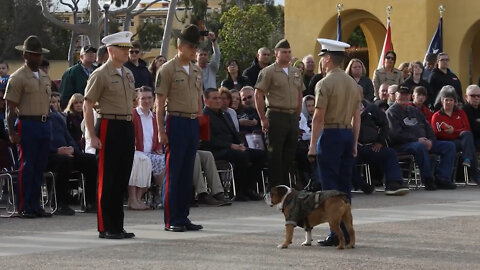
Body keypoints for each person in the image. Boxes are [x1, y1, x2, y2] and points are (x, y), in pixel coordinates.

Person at [307, 38, 361, 247]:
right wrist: (355, 142)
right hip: (347, 134)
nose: (321, 62)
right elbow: (357, 116)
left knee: (330, 188)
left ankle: (335, 233)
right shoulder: (352, 83)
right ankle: (347, 232)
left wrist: (312, 145)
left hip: (330, 135)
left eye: (323, 58)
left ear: (328, 58)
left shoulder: (325, 83)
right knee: (344, 187)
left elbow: (318, 117)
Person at [83, 31, 136, 239]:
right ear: (112, 51)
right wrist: (91, 135)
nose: (127, 53)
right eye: (123, 49)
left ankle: (118, 226)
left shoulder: (128, 74)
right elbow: (87, 105)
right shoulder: (100, 74)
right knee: (107, 179)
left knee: (122, 177)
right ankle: (106, 226)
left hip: (125, 125)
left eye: (128, 49)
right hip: (108, 125)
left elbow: (132, 101)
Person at [155, 24, 204, 232]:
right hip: (176, 121)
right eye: (192, 47)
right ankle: (171, 219)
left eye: (196, 47)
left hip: (192, 122)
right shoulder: (167, 69)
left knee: (187, 173)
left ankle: (183, 216)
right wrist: (160, 130)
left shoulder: (196, 69)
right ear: (180, 46)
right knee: (174, 172)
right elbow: (160, 102)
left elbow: (199, 99)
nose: (195, 51)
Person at [4, 35, 53, 218]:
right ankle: (24, 206)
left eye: (39, 55)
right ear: (25, 55)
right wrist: (11, 131)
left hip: (44, 123)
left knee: (40, 166)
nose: (37, 58)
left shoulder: (44, 76)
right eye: (33, 55)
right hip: (27, 123)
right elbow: (10, 108)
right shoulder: (17, 77)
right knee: (27, 166)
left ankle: (36, 205)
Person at [386, 86, 457, 191]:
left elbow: (428, 128)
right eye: (401, 94)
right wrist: (417, 140)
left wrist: (431, 141)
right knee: (419, 147)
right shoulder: (391, 112)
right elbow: (395, 135)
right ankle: (428, 179)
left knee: (449, 146)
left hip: (423, 142)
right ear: (396, 95)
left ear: (410, 96)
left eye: (407, 94)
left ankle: (443, 178)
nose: (404, 96)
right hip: (403, 145)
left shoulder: (415, 111)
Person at [200, 88, 265, 201]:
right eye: (214, 98)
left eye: (219, 98)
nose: (218, 101)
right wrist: (230, 145)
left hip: (232, 147)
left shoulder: (225, 114)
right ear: (206, 101)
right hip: (215, 151)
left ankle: (249, 189)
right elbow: (207, 141)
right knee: (242, 156)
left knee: (260, 155)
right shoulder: (203, 116)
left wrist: (240, 144)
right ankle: (238, 191)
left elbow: (234, 133)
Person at [255, 39, 304, 188]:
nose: (287, 55)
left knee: (290, 153)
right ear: (276, 54)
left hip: (292, 116)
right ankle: (276, 188)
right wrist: (263, 118)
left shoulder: (296, 72)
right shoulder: (268, 71)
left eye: (289, 52)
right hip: (276, 114)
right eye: (284, 52)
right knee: (275, 154)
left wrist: (297, 114)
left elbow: (299, 94)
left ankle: (285, 187)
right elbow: (258, 94)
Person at [47, 94, 97, 215]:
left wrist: (72, 149)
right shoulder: (36, 118)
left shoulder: (58, 118)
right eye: (52, 102)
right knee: (65, 161)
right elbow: (40, 142)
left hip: (67, 153)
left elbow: (69, 137)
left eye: (57, 102)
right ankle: (60, 204)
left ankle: (90, 202)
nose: (55, 104)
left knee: (91, 160)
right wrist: (57, 150)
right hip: (49, 155)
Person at [354, 89, 409, 195]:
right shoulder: (344, 109)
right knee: (345, 160)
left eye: (357, 94)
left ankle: (393, 184)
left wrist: (380, 141)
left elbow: (385, 125)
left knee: (390, 154)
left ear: (362, 95)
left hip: (371, 147)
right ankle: (362, 185)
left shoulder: (372, 109)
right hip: (354, 148)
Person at [430, 85, 480, 183]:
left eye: (451, 100)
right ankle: (474, 173)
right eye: (446, 100)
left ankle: (467, 159)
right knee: (469, 144)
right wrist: (455, 132)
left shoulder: (460, 113)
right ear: (441, 100)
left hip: (460, 140)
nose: (449, 102)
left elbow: (467, 128)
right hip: (445, 142)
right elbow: (438, 133)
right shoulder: (436, 116)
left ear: (455, 101)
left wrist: (453, 131)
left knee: (467, 135)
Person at [131, 86, 165, 210]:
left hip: (150, 153)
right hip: (137, 152)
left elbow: (157, 137)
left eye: (149, 98)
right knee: (143, 161)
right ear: (137, 100)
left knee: (164, 159)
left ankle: (158, 193)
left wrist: (158, 147)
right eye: (143, 98)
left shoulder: (155, 117)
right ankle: (138, 198)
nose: (147, 101)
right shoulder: (133, 115)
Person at [462, 84, 480, 150]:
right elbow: (472, 127)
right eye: (473, 96)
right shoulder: (464, 110)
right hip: (473, 140)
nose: (476, 98)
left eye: (478, 96)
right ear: (466, 97)